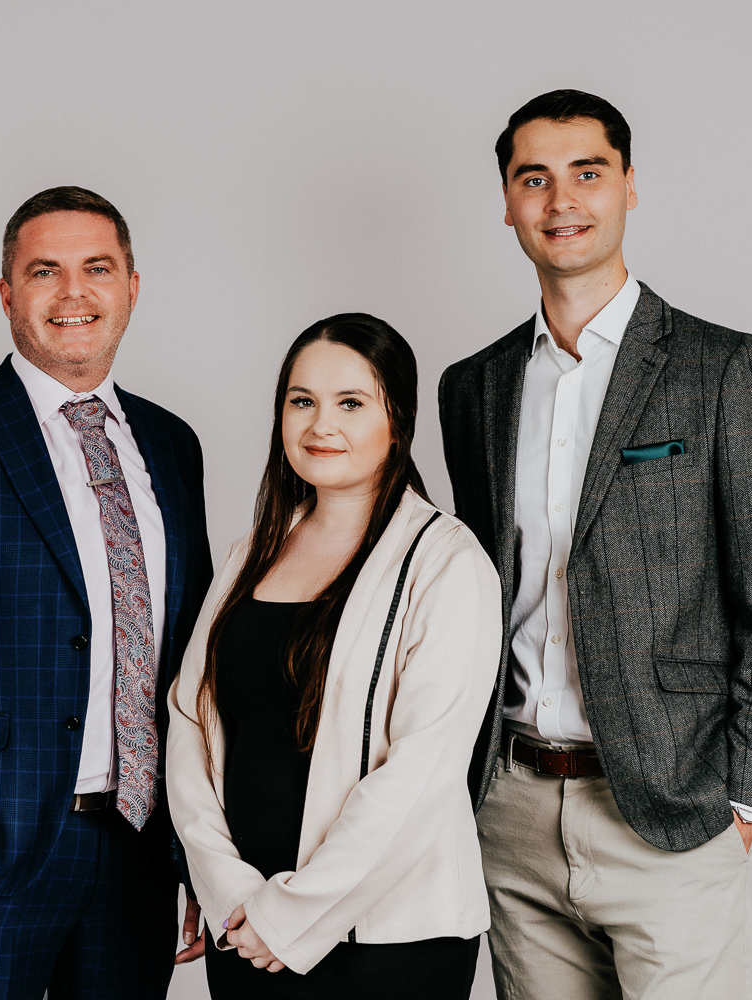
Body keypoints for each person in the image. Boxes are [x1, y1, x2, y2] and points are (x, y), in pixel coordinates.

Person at [437, 89, 752, 999]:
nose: (561, 200)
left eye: (587, 173)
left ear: (630, 187)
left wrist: (746, 799)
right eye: (535, 178)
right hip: (512, 811)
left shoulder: (727, 369)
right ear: (507, 202)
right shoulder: (474, 387)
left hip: (672, 811)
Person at [0, 186, 214, 999]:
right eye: (45, 271)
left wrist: (193, 851)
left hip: (139, 851)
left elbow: (191, 658)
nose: (73, 292)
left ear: (132, 286)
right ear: (7, 293)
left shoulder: (171, 444)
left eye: (98, 268)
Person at [165, 314, 501, 998]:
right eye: (302, 401)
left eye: (351, 403)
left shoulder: (447, 561)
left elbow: (424, 772)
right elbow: (188, 721)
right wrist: (229, 889)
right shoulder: (250, 553)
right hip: (244, 925)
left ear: (397, 421)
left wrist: (290, 916)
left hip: (390, 942)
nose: (321, 425)